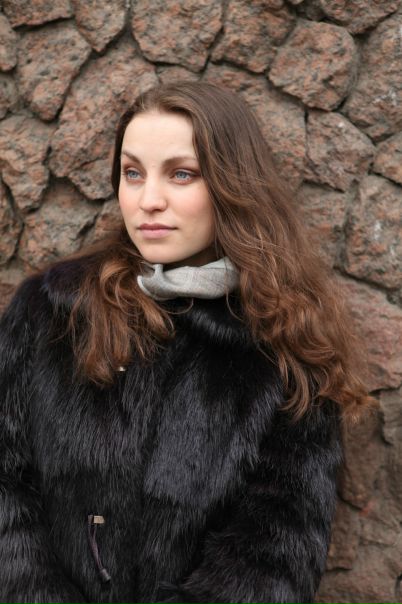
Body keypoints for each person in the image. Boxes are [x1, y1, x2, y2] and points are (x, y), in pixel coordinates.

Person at [0, 81, 371, 604]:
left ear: (231, 183)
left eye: (181, 174)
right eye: (133, 173)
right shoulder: (50, 311)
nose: (148, 200)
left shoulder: (284, 340)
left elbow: (278, 550)